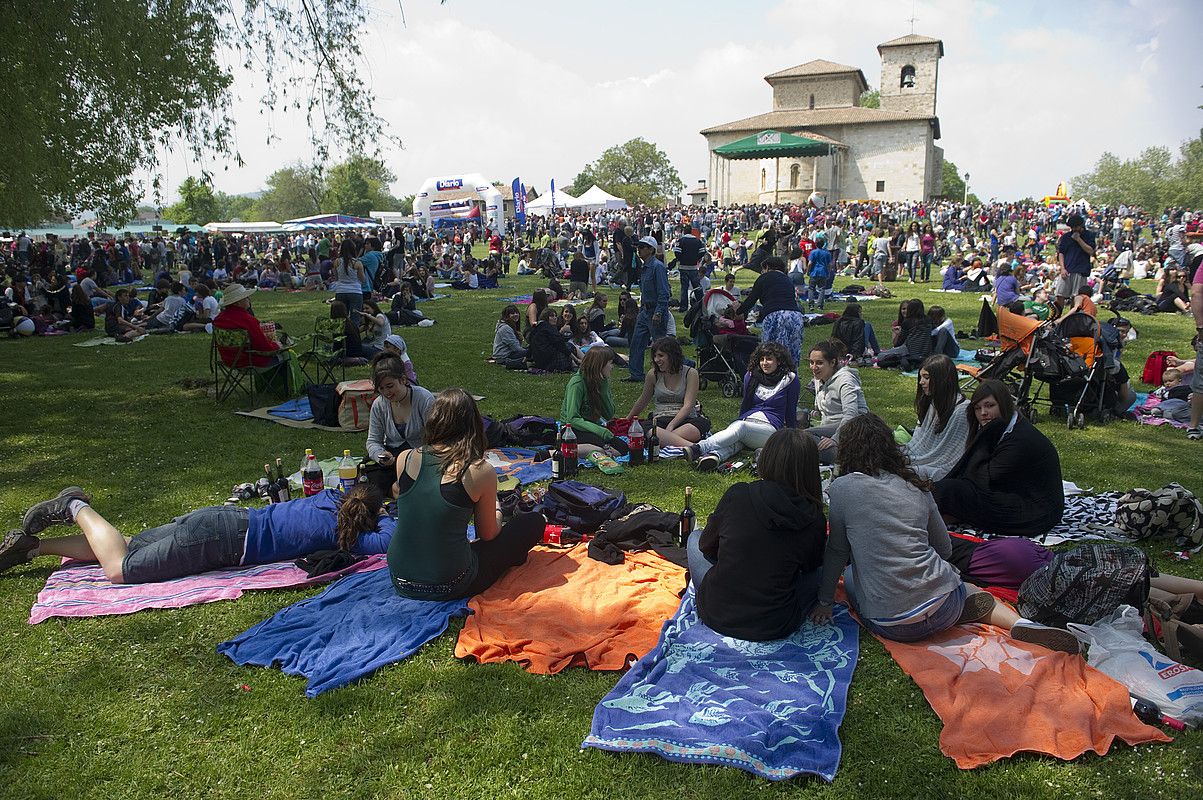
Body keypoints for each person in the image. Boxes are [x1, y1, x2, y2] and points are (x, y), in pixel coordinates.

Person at [809, 414, 1079, 654]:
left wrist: (824, 601)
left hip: (890, 622)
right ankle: (1018, 623)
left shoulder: (843, 489)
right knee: (964, 587)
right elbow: (944, 549)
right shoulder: (915, 486)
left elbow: (837, 550)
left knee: (854, 573)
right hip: (943, 604)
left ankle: (939, 604)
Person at [3, 484, 392, 584]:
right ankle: (74, 505)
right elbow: (391, 541)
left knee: (128, 545)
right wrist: (390, 514)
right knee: (121, 568)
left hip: (220, 518)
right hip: (221, 543)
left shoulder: (327, 498)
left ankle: (33, 548)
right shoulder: (349, 538)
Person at [387, 389, 545, 601]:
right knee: (533, 522)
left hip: (400, 577)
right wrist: (497, 508)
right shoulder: (478, 470)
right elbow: (488, 534)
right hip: (451, 581)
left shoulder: (404, 458)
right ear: (473, 424)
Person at [689, 428, 826, 641]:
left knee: (693, 537)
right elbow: (811, 566)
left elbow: (707, 545)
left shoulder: (739, 493)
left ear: (767, 459)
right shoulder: (813, 517)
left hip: (718, 612)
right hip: (775, 622)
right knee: (822, 571)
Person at [933, 379, 1064, 537]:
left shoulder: (1020, 438)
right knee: (950, 490)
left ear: (1003, 404)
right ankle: (938, 516)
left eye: (989, 406)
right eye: (977, 408)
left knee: (950, 490)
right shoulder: (1005, 428)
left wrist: (984, 435)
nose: (983, 413)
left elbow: (982, 479)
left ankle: (931, 517)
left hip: (1036, 514)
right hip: (1018, 496)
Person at [687, 341, 799, 472]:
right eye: (762, 359)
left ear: (779, 361)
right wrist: (736, 425)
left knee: (741, 428)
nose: (764, 363)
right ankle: (714, 457)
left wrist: (791, 439)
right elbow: (746, 403)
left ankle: (699, 448)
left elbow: (791, 411)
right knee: (737, 437)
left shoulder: (789, 379)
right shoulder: (751, 376)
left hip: (769, 430)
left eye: (769, 359)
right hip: (747, 423)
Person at [364, 354, 435, 495]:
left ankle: (400, 491)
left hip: (422, 455)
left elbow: (437, 440)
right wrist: (380, 455)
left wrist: (411, 457)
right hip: (393, 456)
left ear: (403, 380)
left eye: (390, 386)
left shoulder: (424, 399)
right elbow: (373, 441)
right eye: (381, 389)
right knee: (371, 477)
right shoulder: (379, 405)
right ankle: (400, 490)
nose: (386, 393)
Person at [626, 336, 710, 448]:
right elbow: (643, 400)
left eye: (661, 356)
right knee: (647, 429)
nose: (656, 360)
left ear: (672, 355)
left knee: (699, 426)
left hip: (686, 419)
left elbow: (688, 405)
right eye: (655, 356)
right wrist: (627, 419)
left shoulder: (690, 373)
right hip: (660, 418)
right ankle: (697, 448)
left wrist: (671, 426)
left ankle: (663, 441)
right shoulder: (653, 375)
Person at [904, 355, 970, 480]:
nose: (921, 382)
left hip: (946, 471)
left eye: (926, 377)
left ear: (942, 379)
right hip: (926, 463)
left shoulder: (962, 411)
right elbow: (918, 440)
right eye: (921, 377)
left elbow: (952, 457)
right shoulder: (932, 404)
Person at [806, 340, 869, 465]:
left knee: (805, 438)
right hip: (831, 428)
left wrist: (835, 439)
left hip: (855, 428)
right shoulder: (820, 378)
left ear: (832, 362)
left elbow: (851, 415)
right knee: (802, 436)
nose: (814, 367)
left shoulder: (846, 380)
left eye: (819, 363)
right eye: (811, 362)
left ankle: (847, 460)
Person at [559, 346, 629, 457]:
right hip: (572, 430)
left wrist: (604, 386)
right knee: (601, 449)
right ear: (600, 365)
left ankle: (589, 451)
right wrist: (601, 431)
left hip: (591, 428)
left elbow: (609, 414)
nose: (612, 367)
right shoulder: (577, 384)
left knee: (623, 448)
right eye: (610, 363)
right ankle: (559, 452)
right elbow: (572, 419)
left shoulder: (599, 382)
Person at [737, 255, 804, 368]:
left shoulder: (764, 278)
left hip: (776, 317)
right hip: (795, 316)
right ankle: (792, 378)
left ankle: (774, 378)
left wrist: (738, 312)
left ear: (767, 267)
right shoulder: (787, 280)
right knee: (793, 351)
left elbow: (751, 300)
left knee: (771, 351)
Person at [626, 236, 670, 382]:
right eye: (638, 247)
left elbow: (664, 292)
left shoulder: (657, 267)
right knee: (636, 342)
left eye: (642, 247)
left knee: (661, 347)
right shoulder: (644, 267)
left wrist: (658, 312)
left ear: (651, 249)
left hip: (654, 311)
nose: (639, 249)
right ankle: (636, 374)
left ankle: (682, 366)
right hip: (645, 311)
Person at [212, 284, 283, 368]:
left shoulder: (218, 319)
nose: (249, 299)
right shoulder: (247, 320)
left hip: (228, 361)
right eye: (246, 297)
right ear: (238, 302)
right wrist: (277, 345)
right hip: (249, 361)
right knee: (286, 356)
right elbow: (263, 347)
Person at [874, 298, 933, 371]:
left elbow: (898, 344)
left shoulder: (908, 322)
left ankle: (901, 362)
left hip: (910, 352)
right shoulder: (928, 320)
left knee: (880, 356)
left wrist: (898, 334)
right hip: (926, 353)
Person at [1055, 213, 1095, 314]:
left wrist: (1079, 240)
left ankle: (1071, 317)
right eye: (1072, 227)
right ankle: (1057, 316)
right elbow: (1061, 253)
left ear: (1081, 225)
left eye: (1075, 227)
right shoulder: (1066, 237)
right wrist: (1062, 268)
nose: (1073, 229)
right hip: (1067, 269)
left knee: (1076, 296)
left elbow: (1090, 251)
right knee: (1059, 294)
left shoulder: (1089, 235)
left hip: (1080, 270)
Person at [528, 308, 577, 372]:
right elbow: (561, 345)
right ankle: (578, 362)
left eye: (555, 316)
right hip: (550, 362)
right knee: (570, 346)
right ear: (546, 317)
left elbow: (530, 345)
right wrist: (576, 359)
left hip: (540, 362)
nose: (555, 318)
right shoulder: (549, 328)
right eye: (552, 316)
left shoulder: (537, 327)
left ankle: (575, 364)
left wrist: (527, 357)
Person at [330, 240, 366, 315]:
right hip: (355, 291)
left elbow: (336, 278)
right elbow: (362, 279)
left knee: (341, 317)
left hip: (341, 291)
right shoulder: (357, 263)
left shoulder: (337, 262)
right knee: (355, 316)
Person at [492, 304, 528, 369]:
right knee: (533, 351)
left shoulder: (512, 326)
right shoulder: (506, 328)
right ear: (506, 316)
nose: (515, 315)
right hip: (504, 357)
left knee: (532, 350)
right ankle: (514, 362)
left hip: (509, 353)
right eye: (512, 313)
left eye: (517, 313)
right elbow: (516, 348)